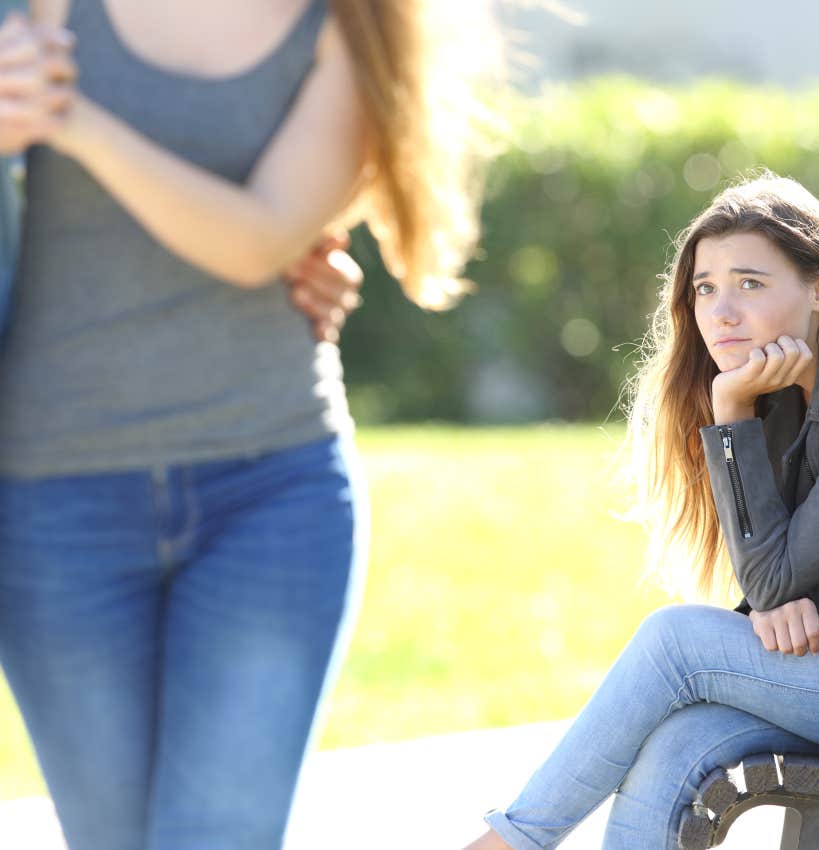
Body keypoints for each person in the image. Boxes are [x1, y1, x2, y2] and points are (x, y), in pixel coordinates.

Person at [0, 2, 489, 849]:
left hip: (270, 493)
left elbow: (259, 238)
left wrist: (73, 121)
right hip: (54, 500)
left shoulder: (360, 22)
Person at [464, 172, 819, 850]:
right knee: (675, 742)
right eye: (706, 288)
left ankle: (508, 844)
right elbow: (778, 579)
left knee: (675, 642)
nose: (721, 312)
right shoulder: (786, 386)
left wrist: (729, 414)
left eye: (750, 284)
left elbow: (769, 578)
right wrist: (774, 601)